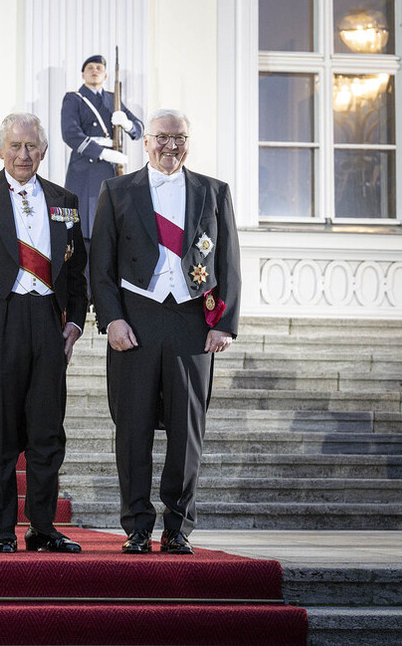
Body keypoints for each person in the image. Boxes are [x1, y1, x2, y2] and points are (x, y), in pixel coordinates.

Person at [90, 108, 241, 556]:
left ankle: (178, 527)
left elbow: (228, 262)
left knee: (187, 428)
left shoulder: (214, 192)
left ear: (188, 141)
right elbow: (101, 267)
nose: (170, 145)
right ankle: (137, 526)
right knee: (132, 426)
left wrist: (225, 324)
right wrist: (112, 318)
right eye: (162, 137)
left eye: (179, 137)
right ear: (145, 141)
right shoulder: (116, 191)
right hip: (134, 318)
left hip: (193, 321)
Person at [0, 112, 88, 554]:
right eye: (15, 146)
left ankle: (43, 527)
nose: (23, 154)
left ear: (44, 151)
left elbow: (78, 267)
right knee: (2, 432)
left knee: (48, 429)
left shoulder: (65, 199)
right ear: (0, 149)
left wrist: (75, 321)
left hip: (47, 321)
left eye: (32, 147)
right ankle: (4, 530)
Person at [60, 54, 143, 254]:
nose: (95, 70)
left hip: (110, 170)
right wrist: (103, 153)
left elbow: (139, 130)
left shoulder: (112, 99)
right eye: (90, 68)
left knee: (109, 226)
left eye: (99, 68)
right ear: (83, 74)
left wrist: (127, 123)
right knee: (84, 229)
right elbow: (70, 134)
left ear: (106, 75)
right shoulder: (74, 98)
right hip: (85, 167)